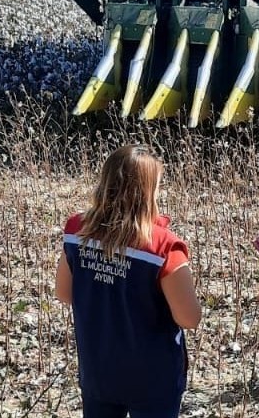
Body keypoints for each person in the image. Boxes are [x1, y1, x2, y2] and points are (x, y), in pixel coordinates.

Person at [55, 145, 202, 418]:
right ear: (147, 192)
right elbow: (189, 318)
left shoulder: (77, 230)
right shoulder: (164, 247)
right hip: (152, 379)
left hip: (98, 369)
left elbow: (64, 292)